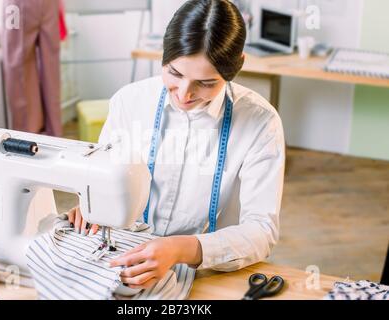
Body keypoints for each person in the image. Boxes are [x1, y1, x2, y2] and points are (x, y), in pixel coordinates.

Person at [67, 0, 285, 290]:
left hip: (211, 273)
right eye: (175, 73)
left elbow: (262, 230)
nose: (184, 94)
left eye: (206, 83)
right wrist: (91, 204)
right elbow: (103, 179)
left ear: (237, 66)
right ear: (164, 56)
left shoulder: (260, 122)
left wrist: (184, 249)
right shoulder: (129, 102)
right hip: (130, 259)